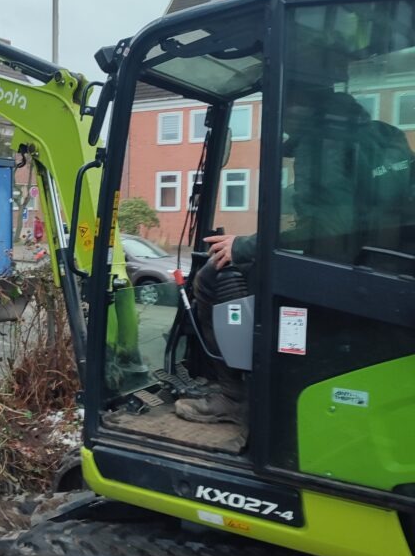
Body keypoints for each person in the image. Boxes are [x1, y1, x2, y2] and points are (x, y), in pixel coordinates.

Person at [175, 88, 412, 428]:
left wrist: (246, 245)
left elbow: (332, 225)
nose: (284, 125)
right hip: (385, 269)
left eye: (284, 110)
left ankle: (235, 398)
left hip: (351, 282)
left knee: (216, 277)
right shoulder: (380, 137)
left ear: (297, 107)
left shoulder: (322, 144)